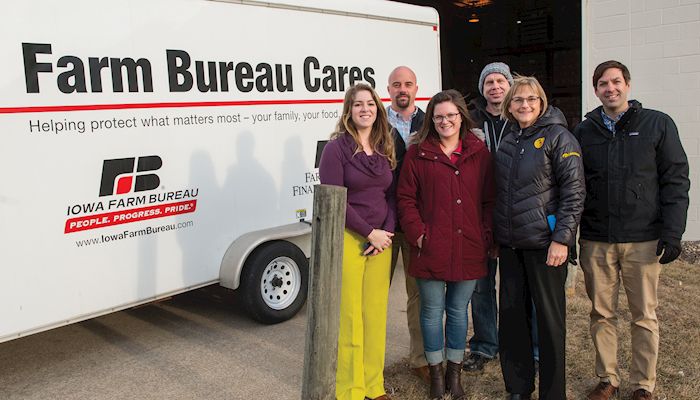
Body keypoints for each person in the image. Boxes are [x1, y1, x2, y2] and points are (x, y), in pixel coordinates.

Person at [574, 61, 690, 400]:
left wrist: (673, 232)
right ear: (595, 90)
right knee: (601, 313)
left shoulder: (657, 124)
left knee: (643, 315)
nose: (610, 88)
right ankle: (607, 378)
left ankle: (643, 384)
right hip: (597, 240)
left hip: (643, 239)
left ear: (627, 84)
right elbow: (573, 185)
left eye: (616, 82)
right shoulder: (585, 132)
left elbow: (675, 179)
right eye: (602, 84)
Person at [397, 90, 495, 400]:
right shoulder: (417, 153)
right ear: (431, 120)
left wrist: (485, 234)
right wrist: (418, 233)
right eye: (438, 116)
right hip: (431, 246)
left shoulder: (479, 152)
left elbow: (489, 199)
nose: (445, 121)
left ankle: (455, 375)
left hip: (468, 245)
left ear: (462, 117)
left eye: (451, 115)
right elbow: (405, 198)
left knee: (457, 311)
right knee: (431, 311)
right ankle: (436, 376)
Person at [494, 76, 585, 400]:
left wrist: (562, 239)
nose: (525, 105)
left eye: (531, 99)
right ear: (509, 105)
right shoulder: (508, 140)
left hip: (546, 248)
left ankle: (551, 393)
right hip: (511, 246)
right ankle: (518, 388)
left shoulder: (559, 137)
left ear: (541, 101)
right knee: (513, 321)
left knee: (549, 326)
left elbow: (574, 193)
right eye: (518, 100)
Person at [318, 83, 397, 400]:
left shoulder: (383, 146)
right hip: (351, 239)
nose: (365, 108)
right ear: (348, 111)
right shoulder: (335, 149)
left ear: (378, 108)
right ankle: (350, 389)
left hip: (381, 242)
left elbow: (391, 195)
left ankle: (373, 385)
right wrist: (369, 232)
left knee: (375, 315)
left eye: (370, 103)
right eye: (358, 104)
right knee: (350, 317)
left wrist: (386, 233)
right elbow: (335, 199)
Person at [463, 61, 514, 372]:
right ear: (482, 89)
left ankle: (517, 343)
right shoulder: (470, 119)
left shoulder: (523, 116)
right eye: (489, 82)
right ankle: (484, 346)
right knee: (481, 286)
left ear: (509, 85)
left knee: (514, 285)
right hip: (478, 212)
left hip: (513, 213)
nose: (495, 86)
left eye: (500, 80)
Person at [385, 66, 429, 383]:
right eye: (397, 84)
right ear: (389, 88)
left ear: (417, 88)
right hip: (382, 225)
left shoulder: (430, 122)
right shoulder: (374, 122)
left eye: (408, 84)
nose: (403, 89)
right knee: (373, 297)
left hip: (416, 223)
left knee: (419, 296)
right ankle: (369, 363)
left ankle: (420, 359)